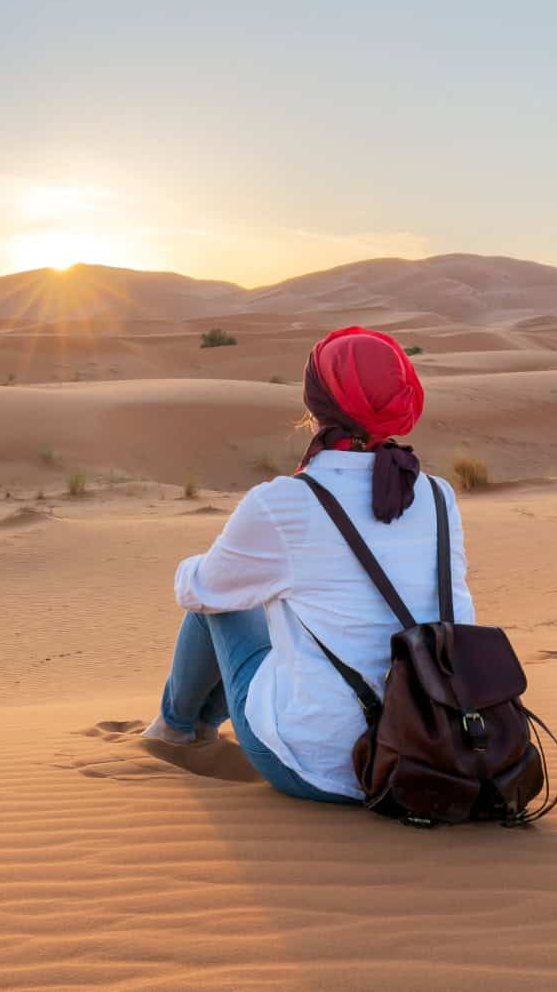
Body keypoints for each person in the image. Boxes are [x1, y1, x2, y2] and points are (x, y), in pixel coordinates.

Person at [142, 325, 474, 803]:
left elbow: (200, 593)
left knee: (216, 596)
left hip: (322, 768)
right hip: (440, 749)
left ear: (316, 401)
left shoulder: (286, 502)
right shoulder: (439, 496)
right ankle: (183, 728)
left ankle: (175, 728)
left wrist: (191, 566)